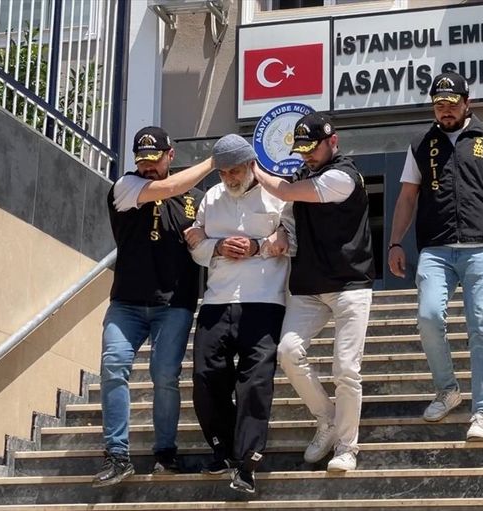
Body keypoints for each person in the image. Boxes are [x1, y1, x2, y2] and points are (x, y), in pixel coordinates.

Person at [387, 72, 483, 441]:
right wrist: (395, 242)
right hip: (436, 248)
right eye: (439, 105)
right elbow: (407, 196)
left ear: (468, 103)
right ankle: (447, 389)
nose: (445, 111)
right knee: (428, 316)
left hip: (482, 247)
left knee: (481, 325)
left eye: (451, 104)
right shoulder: (421, 143)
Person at [92, 126, 215, 488]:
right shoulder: (125, 186)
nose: (147, 167)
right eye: (141, 160)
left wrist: (201, 238)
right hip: (127, 303)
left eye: (154, 160)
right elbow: (169, 187)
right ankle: (117, 455)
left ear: (170, 156)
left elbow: (209, 241)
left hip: (174, 303)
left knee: (164, 375)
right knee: (113, 365)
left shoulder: (196, 200)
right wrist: (213, 161)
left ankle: (165, 453)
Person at [252, 112, 374, 472]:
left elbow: (286, 193)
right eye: (301, 150)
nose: (306, 155)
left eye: (312, 148)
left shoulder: (343, 176)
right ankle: (327, 419)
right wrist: (280, 233)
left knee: (346, 370)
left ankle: (347, 447)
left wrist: (254, 169)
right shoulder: (302, 175)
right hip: (308, 287)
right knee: (288, 352)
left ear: (332, 142)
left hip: (350, 285)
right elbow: (289, 215)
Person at [184, 134, 292, 494]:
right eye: (223, 172)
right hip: (216, 301)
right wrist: (217, 247)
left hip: (265, 300)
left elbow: (289, 242)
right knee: (205, 377)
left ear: (251, 165)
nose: (229, 178)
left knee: (255, 383)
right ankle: (225, 448)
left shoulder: (278, 194)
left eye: (235, 171)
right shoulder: (211, 198)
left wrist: (257, 246)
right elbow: (196, 246)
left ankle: (247, 462)